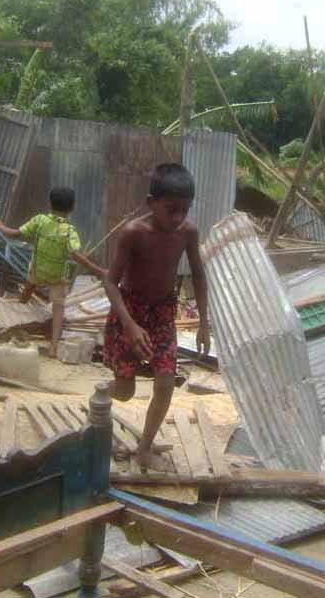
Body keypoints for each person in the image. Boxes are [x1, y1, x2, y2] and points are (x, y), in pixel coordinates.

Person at [103, 163, 210, 471]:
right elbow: (110, 282)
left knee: (165, 382)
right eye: (171, 210)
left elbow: (199, 275)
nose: (178, 218)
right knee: (125, 391)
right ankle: (100, 396)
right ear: (151, 203)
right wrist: (130, 325)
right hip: (129, 312)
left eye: (185, 210)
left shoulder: (188, 233)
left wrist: (203, 323)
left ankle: (144, 449)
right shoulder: (133, 233)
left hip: (163, 313)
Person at [0, 187, 105, 357]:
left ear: (50, 204)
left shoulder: (40, 220)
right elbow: (75, 254)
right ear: (72, 207)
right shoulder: (69, 231)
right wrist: (98, 270)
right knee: (59, 308)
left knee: (29, 286)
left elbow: (14, 233)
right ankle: (53, 346)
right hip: (56, 276)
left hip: (38, 269)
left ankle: (15, 316)